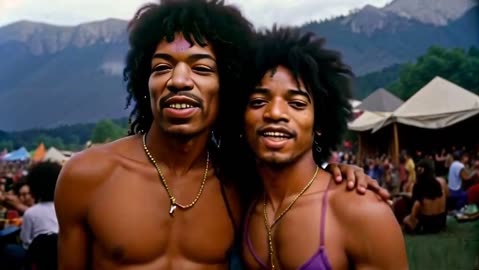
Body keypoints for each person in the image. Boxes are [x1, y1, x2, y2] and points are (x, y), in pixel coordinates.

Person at [55, 1, 388, 269]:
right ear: (145, 84)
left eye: (201, 68)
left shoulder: (240, 181)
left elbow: (294, 176)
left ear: (227, 86)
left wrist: (339, 171)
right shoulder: (87, 175)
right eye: (161, 67)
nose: (180, 80)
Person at [241, 27, 407, 269]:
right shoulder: (239, 202)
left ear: (320, 123)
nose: (274, 113)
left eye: (296, 103)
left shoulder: (363, 211)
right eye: (258, 101)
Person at [403, 159, 447, 234]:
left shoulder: (418, 185)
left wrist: (411, 219)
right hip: (441, 221)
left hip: (428, 224)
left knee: (405, 219)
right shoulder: (438, 183)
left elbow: (417, 204)